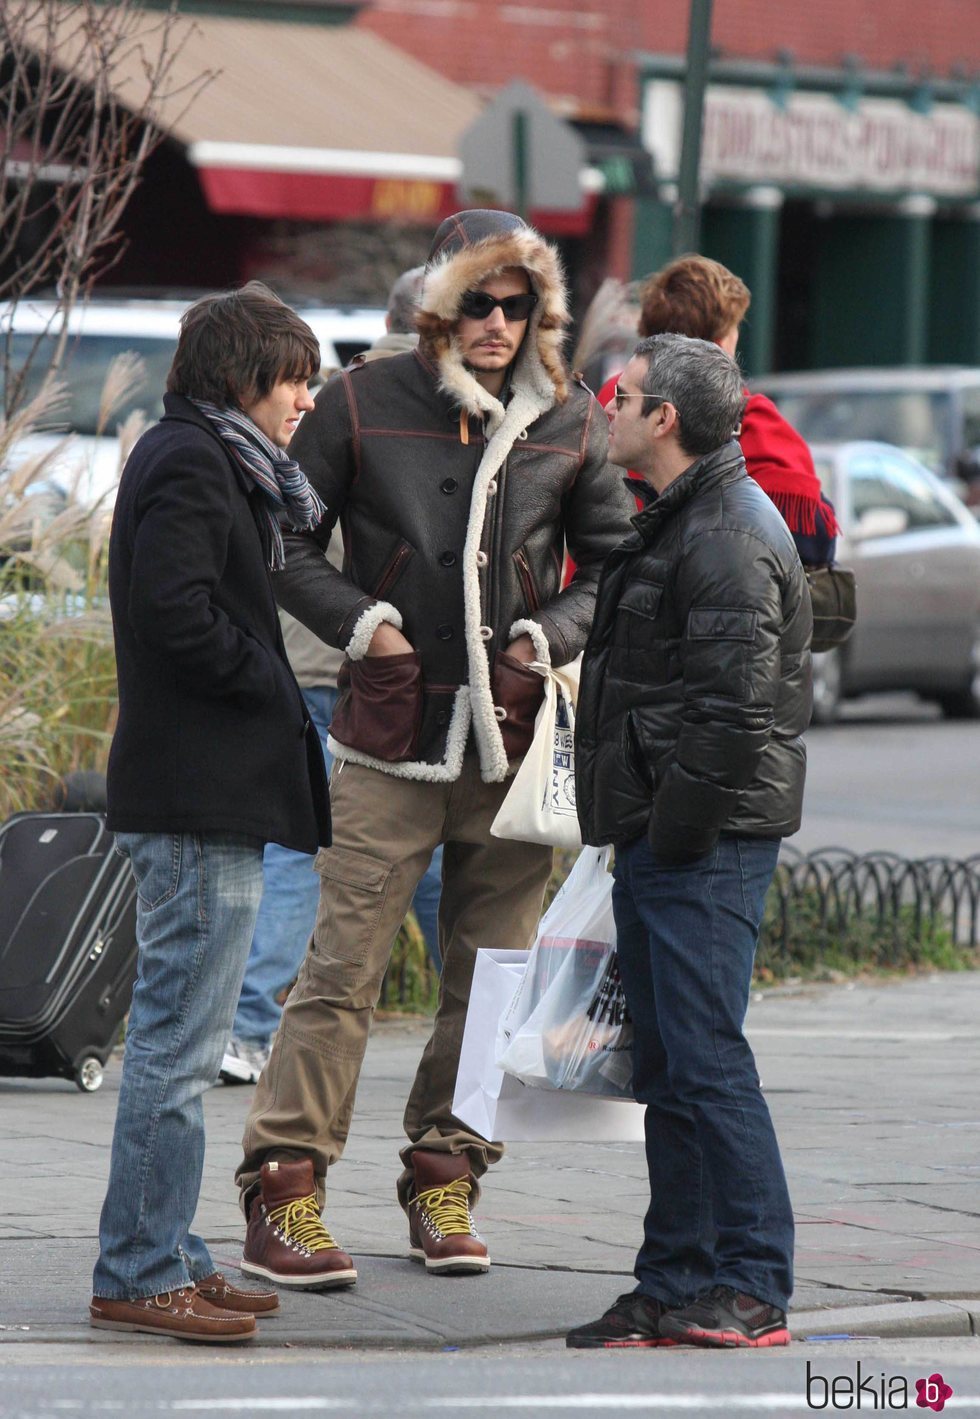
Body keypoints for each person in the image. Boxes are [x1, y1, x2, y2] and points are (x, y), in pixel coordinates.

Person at [233, 208, 635, 1289]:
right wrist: (366, 627)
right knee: (338, 970)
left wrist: (543, 637)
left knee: (494, 981)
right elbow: (280, 540)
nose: (496, 322)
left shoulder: (573, 422)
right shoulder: (361, 401)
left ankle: (445, 1173)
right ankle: (284, 1189)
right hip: (388, 734)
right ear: (434, 305)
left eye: (517, 304)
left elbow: (614, 569)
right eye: (476, 301)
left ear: (539, 312)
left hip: (510, 743)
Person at [89, 283, 332, 1343]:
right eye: (296, 379)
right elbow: (175, 612)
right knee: (177, 1051)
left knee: (181, 1047)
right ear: (245, 378)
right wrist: (273, 689)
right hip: (194, 795)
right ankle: (141, 1269)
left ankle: (172, 1250)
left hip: (205, 792)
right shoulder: (192, 458)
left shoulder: (200, 452)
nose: (308, 402)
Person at [567, 333, 811, 1350]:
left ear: (661, 418)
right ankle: (671, 1282)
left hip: (699, 843)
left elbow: (729, 713)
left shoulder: (722, 529)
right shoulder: (678, 515)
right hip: (663, 834)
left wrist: (668, 834)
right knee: (667, 1067)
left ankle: (753, 1283)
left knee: (706, 1063)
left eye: (617, 396)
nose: (604, 408)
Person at [220, 267, 443, 1086]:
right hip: (371, 669)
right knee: (419, 855)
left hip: (308, 655)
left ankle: (245, 1024)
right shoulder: (409, 411)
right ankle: (485, 1021)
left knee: (299, 847)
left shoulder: (340, 396)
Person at [595, 254, 839, 568]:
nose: (613, 407)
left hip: (599, 591)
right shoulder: (750, 417)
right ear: (720, 346)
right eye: (736, 330)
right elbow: (812, 540)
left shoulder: (608, 395)